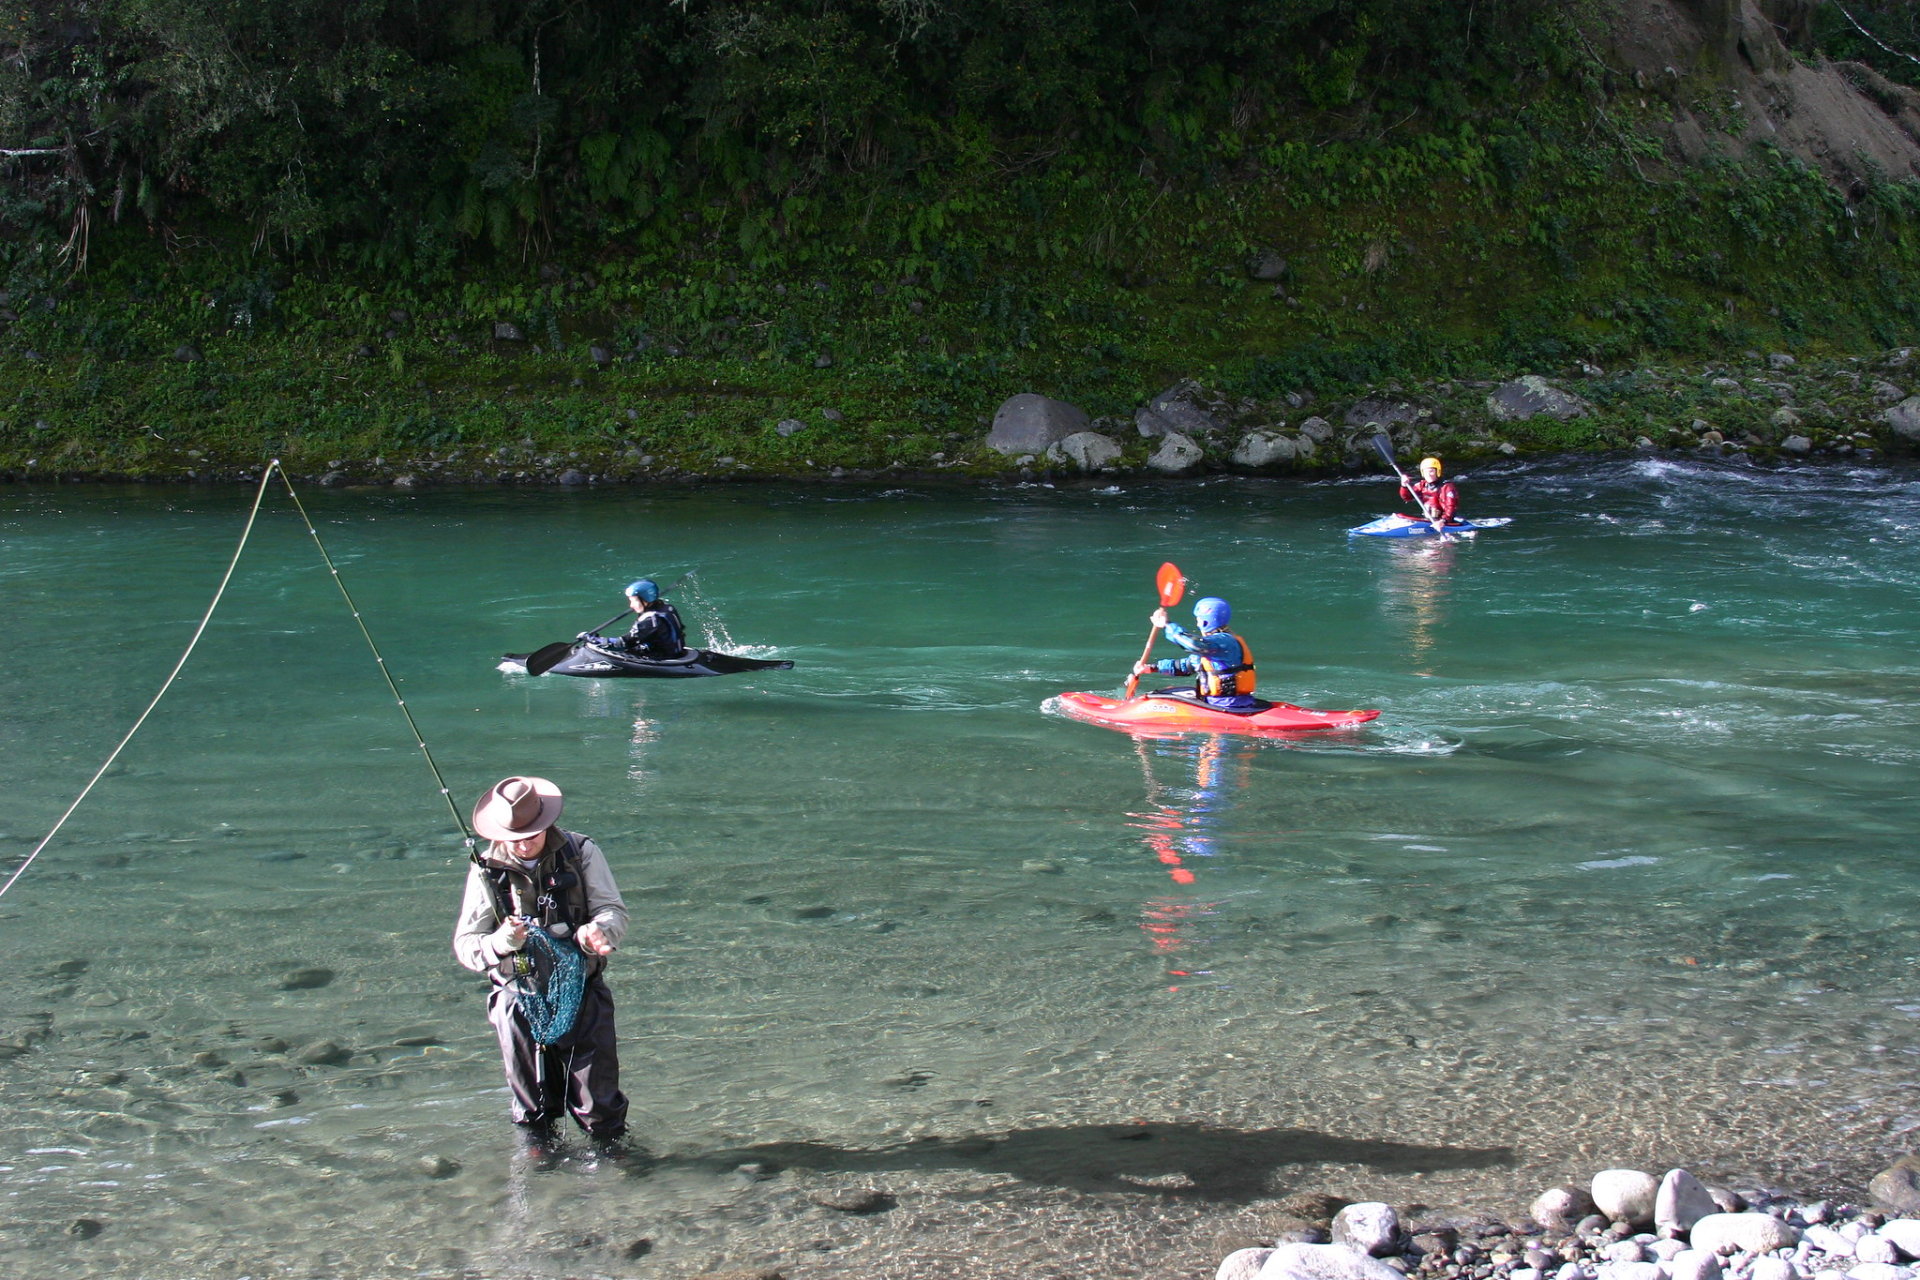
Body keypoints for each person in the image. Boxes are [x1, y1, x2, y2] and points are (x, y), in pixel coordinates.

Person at [453, 775, 630, 1156]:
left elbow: (612, 910)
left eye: (532, 832)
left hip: (583, 992)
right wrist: (500, 943)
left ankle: (614, 1165)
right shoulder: (484, 868)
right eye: (514, 836)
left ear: (546, 822)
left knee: (599, 1103)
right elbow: (466, 947)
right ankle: (539, 1173)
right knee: (532, 1110)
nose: (523, 842)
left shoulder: (581, 850)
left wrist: (598, 933)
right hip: (517, 998)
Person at [1132, 596, 1259, 710]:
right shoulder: (1214, 647)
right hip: (1228, 702)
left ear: (1206, 621)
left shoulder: (1224, 642)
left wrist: (1167, 625)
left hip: (1225, 704)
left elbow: (1193, 645)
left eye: (1198, 619)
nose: (1197, 623)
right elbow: (1188, 665)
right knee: (1170, 691)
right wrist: (1151, 668)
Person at [583, 578, 688, 658]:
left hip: (661, 657)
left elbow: (623, 643)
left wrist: (594, 640)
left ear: (645, 600)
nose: (631, 606)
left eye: (634, 601)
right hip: (675, 651)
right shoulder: (667, 608)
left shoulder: (649, 621)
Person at [1400, 456, 1459, 525]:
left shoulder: (1447, 487)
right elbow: (1407, 497)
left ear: (1438, 472)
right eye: (1426, 471)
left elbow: (1451, 507)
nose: (1428, 474)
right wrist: (1404, 486)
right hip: (1428, 519)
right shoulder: (1422, 485)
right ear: (1422, 473)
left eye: (1431, 471)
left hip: (1444, 521)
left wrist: (1443, 521)